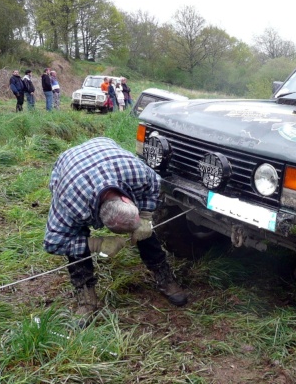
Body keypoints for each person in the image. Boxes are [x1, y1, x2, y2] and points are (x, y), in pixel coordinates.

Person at [44, 137, 188, 320]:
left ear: (128, 200)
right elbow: (52, 242)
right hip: (70, 167)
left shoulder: (137, 172)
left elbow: (155, 185)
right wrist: (96, 244)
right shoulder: (70, 202)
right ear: (99, 218)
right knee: (76, 238)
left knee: (144, 231)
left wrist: (145, 217)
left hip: (106, 150)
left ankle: (164, 276)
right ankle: (86, 298)